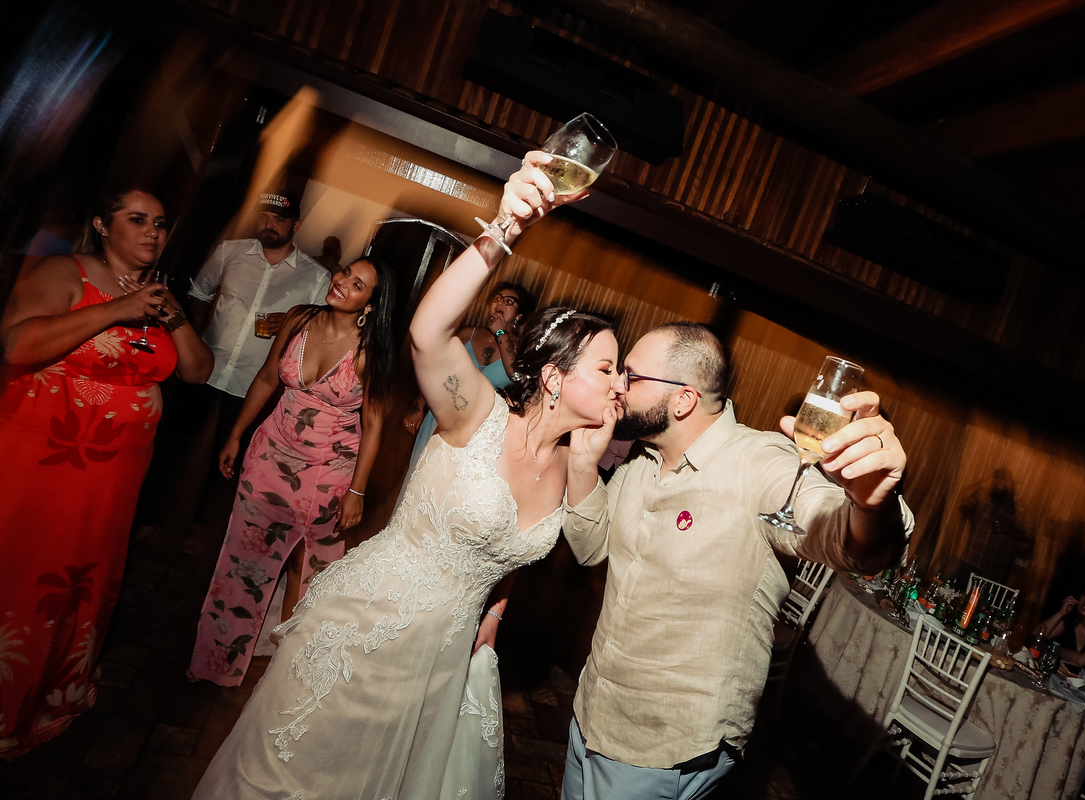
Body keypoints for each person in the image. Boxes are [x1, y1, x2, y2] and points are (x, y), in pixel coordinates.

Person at [191, 152, 616, 799]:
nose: (621, 383)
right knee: (296, 774)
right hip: (369, 622)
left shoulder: (569, 465)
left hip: (441, 659)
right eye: (608, 368)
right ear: (555, 377)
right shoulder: (476, 413)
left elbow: (517, 553)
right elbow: (426, 332)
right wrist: (504, 226)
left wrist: (495, 612)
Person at [560, 323, 913, 800]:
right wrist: (582, 466)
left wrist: (872, 505)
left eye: (632, 376)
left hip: (665, 745)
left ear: (683, 399)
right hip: (593, 711)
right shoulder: (643, 462)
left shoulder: (760, 463)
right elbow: (592, 547)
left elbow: (852, 545)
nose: (618, 386)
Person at [0, 188, 213, 758]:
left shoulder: (156, 294)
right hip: (45, 458)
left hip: (116, 473)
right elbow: (17, 342)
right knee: (26, 568)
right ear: (101, 224)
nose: (152, 233)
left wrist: (175, 317)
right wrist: (118, 310)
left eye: (161, 224)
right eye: (137, 220)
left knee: (82, 574)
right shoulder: (65, 271)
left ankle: (52, 690)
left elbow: (196, 371)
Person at [188, 255, 398, 686]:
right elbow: (267, 378)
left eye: (357, 285)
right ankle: (215, 664)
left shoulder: (368, 350)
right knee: (241, 561)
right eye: (344, 272)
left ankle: (289, 674)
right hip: (270, 457)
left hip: (330, 474)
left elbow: (374, 424)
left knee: (311, 572)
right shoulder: (301, 319)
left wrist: (357, 492)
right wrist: (236, 435)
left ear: (370, 304)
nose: (341, 283)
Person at [184, 191, 331, 528]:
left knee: (229, 459)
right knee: (184, 447)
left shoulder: (315, 277)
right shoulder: (230, 252)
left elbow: (323, 333)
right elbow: (199, 293)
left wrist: (293, 327)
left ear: (297, 226)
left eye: (279, 219)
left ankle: (207, 529)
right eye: (265, 217)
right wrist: (194, 340)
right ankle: (160, 519)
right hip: (208, 368)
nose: (269, 224)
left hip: (254, 383)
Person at [399, 280, 535, 499]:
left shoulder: (522, 350)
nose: (500, 303)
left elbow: (516, 376)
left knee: (448, 494)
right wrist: (419, 405)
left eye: (509, 301)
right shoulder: (467, 334)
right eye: (497, 298)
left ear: (520, 314)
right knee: (418, 484)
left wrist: (501, 334)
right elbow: (437, 371)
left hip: (477, 433)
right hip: (439, 418)